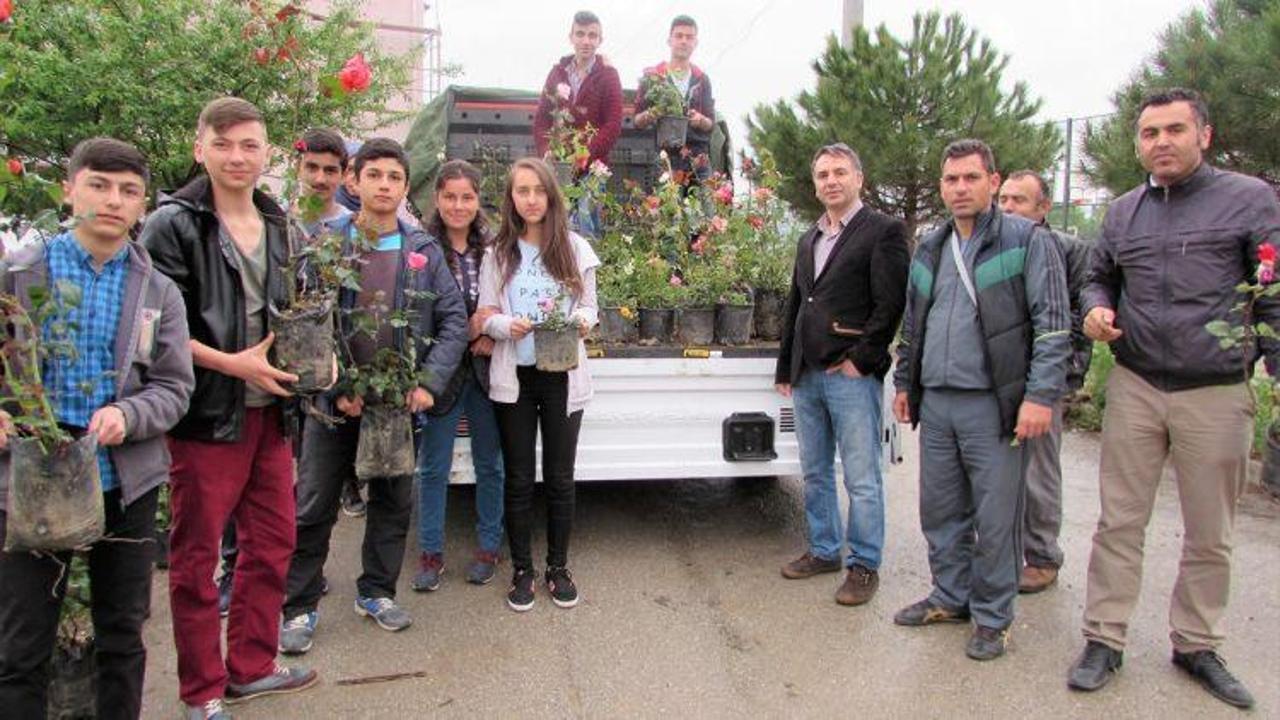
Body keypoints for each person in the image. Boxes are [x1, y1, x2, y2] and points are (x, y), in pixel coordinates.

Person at [1067, 88, 1279, 710]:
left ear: (1204, 135)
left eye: (1174, 130)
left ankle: (1196, 643)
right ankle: (1104, 637)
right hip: (1136, 384)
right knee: (1118, 522)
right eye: (1149, 132)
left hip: (1215, 389)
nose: (1161, 141)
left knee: (1210, 530)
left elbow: (1272, 290)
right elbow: (1097, 277)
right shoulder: (1123, 213)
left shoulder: (1248, 200)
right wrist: (1096, 308)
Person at [0, 138, 194, 720]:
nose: (113, 201)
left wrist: (129, 415)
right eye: (99, 186)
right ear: (69, 190)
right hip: (31, 479)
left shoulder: (157, 290)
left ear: (143, 205)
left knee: (122, 633)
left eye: (129, 191)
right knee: (21, 641)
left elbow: (173, 386)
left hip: (122, 479)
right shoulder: (18, 276)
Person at [141, 97, 318, 719]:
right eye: (223, 144)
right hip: (206, 416)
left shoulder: (280, 224)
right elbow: (154, 327)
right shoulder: (173, 225)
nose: (237, 156)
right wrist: (231, 363)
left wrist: (316, 361)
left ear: (267, 152)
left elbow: (299, 311)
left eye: (249, 145)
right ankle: (202, 690)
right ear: (201, 149)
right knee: (195, 558)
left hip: (271, 414)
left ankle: (251, 666)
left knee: (272, 543)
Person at [277, 139, 467, 654]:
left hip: (396, 407)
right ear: (354, 181)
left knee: (392, 503)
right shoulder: (327, 245)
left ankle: (377, 593)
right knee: (314, 505)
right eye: (374, 175)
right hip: (334, 407)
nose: (384, 186)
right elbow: (305, 324)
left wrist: (427, 383)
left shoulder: (422, 250)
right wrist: (337, 388)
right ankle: (299, 606)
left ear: (405, 187)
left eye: (394, 177)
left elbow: (453, 321)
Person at [891, 138, 1070, 661]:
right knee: (940, 509)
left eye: (971, 177)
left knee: (996, 518)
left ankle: (993, 616)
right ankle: (950, 596)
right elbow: (914, 323)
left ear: (993, 181)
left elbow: (1052, 325)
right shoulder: (931, 246)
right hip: (937, 401)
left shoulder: (1026, 240)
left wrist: (1039, 396)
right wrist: (904, 383)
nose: (960, 188)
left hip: (994, 406)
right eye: (951, 179)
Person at [215, 129, 361, 619]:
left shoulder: (351, 229)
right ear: (297, 169)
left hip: (323, 377)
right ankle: (234, 570)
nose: (320, 178)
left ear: (344, 176)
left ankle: (299, 575)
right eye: (312, 168)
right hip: (265, 370)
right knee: (248, 480)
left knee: (309, 487)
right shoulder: (275, 222)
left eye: (330, 170)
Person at [775, 143, 908, 607]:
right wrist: (786, 366)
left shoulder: (883, 231)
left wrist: (861, 361)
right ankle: (825, 549)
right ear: (815, 185)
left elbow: (890, 304)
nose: (830, 181)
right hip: (808, 375)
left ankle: (864, 565)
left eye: (839, 172)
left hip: (850, 377)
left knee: (861, 477)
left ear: (858, 179)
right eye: (823, 175)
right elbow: (798, 304)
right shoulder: (809, 238)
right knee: (814, 471)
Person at [477, 158, 599, 612]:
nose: (531, 199)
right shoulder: (499, 253)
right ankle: (523, 569)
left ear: (551, 195)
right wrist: (505, 325)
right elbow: (487, 313)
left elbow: (590, 308)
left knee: (561, 477)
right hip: (517, 378)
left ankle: (558, 567)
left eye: (538, 190)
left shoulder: (575, 249)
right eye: (521, 191)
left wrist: (580, 321)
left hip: (562, 374)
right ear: (511, 199)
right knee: (520, 477)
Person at [411, 160, 506, 592]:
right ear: (437, 199)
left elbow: (505, 299)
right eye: (449, 197)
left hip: (485, 370)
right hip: (441, 372)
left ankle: (488, 546)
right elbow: (418, 310)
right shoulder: (423, 249)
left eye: (467, 197)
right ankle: (430, 553)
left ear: (478, 200)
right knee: (433, 467)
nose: (458, 205)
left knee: (490, 463)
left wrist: (490, 332)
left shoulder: (494, 248)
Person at [997, 170, 1093, 594]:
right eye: (1003, 199)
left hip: (1041, 381)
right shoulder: (992, 247)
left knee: (1038, 471)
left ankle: (1041, 557)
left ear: (1043, 207)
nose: (1008, 208)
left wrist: (1061, 376)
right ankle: (1001, 551)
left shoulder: (1067, 250)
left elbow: (1077, 317)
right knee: (997, 472)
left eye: (1019, 200)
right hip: (996, 378)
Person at [532, 10, 623, 170]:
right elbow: (541, 120)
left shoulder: (609, 76)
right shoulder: (556, 73)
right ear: (571, 37)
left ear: (600, 40)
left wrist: (585, 155)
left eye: (592, 35)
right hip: (557, 166)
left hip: (593, 171)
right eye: (580, 34)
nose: (586, 41)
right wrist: (546, 150)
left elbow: (613, 124)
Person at [633, 15, 716, 183]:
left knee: (707, 200)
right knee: (667, 200)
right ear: (669, 40)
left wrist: (700, 120)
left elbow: (711, 123)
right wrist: (651, 114)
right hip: (665, 158)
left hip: (698, 158)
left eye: (689, 37)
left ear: (695, 43)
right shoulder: (653, 76)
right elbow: (637, 121)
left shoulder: (702, 79)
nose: (684, 41)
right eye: (679, 36)